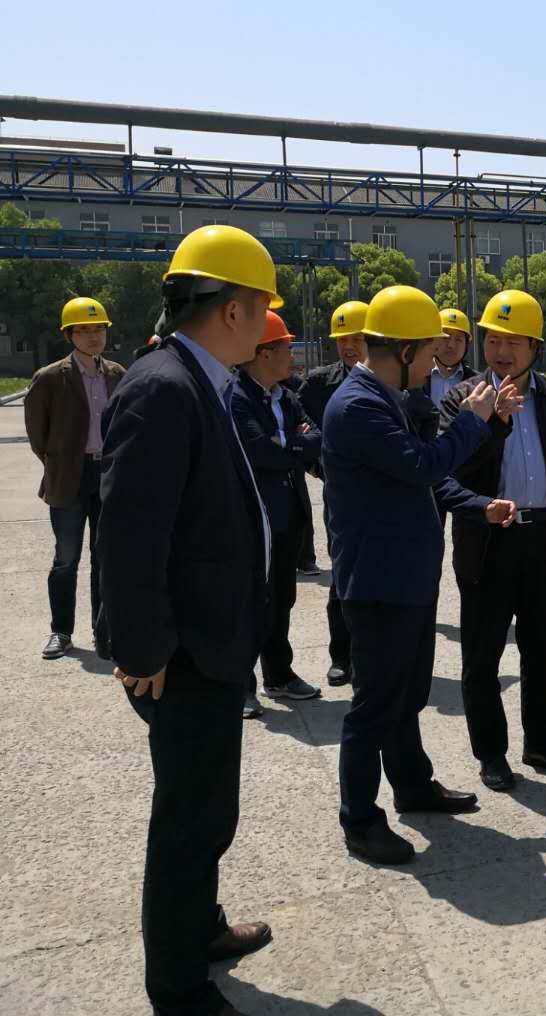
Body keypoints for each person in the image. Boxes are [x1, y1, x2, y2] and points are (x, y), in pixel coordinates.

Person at [99, 224, 282, 1016]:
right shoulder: (163, 388)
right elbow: (128, 535)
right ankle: (176, 988)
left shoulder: (202, 380)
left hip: (212, 644)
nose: (265, 325)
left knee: (209, 812)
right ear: (233, 309)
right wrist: (142, 650)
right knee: (186, 821)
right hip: (181, 656)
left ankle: (198, 927)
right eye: (262, 309)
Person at [323, 284, 521, 866]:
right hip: (378, 581)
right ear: (405, 349)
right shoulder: (358, 406)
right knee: (374, 704)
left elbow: (428, 482)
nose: (437, 361)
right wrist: (474, 421)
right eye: (431, 350)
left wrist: (477, 504)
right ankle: (360, 820)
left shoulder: (388, 397)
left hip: (406, 577)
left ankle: (411, 785)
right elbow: (421, 465)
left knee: (405, 695)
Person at [439, 289, 546, 792]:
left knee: (542, 651)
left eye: (513, 342)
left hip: (541, 539)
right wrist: (494, 423)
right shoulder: (464, 399)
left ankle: (543, 742)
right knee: (482, 656)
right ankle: (492, 754)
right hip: (487, 540)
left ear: (535, 347)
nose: (501, 351)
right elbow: (453, 470)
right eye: (493, 340)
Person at [231, 309, 324, 719]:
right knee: (251, 600)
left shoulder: (286, 395)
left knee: (282, 598)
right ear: (264, 353)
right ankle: (241, 686)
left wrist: (284, 444)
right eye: (286, 347)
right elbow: (258, 452)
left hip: (289, 514)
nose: (293, 355)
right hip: (255, 516)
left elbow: (315, 438)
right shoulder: (237, 397)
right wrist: (293, 447)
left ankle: (279, 675)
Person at [24, 295, 125, 661]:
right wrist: (60, 463)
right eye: (84, 330)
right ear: (69, 335)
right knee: (66, 558)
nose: (93, 337)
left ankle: (105, 633)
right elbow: (38, 434)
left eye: (98, 329)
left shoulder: (117, 374)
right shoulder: (50, 378)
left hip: (107, 475)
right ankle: (61, 631)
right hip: (69, 476)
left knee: (105, 557)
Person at [300, 300, 368, 688]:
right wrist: (317, 465)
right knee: (343, 572)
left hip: (382, 492)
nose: (349, 346)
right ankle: (341, 656)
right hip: (340, 496)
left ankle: (373, 653)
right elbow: (299, 423)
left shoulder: (391, 379)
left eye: (356, 338)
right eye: (343, 339)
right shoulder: (318, 383)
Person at [428, 306, 478, 406]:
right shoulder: (415, 377)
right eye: (446, 337)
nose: (451, 345)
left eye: (458, 339)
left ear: (466, 345)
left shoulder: (478, 383)